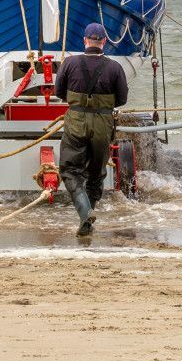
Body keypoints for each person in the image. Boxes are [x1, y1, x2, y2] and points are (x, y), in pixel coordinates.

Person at [53, 23, 129, 237]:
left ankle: (85, 213)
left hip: (76, 121)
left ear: (85, 41)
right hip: (103, 125)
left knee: (69, 170)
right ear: (104, 42)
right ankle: (87, 216)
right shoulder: (114, 68)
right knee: (96, 174)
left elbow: (59, 92)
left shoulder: (69, 63)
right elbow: (122, 99)